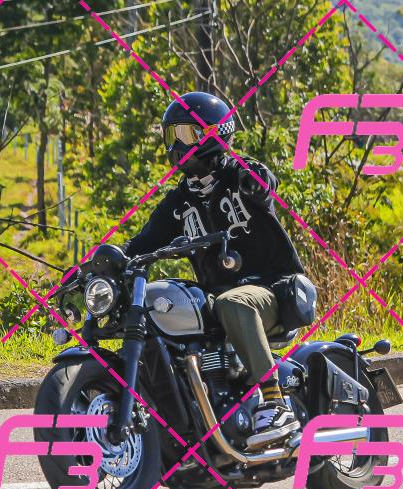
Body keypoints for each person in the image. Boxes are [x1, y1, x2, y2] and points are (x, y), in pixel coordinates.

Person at [123, 91, 305, 449]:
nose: (176, 145)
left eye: (186, 134)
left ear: (214, 134)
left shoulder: (238, 176)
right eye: (171, 135)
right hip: (217, 298)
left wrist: (257, 180)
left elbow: (263, 181)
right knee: (162, 311)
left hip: (271, 288)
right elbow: (141, 244)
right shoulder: (179, 202)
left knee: (233, 302)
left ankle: (276, 402)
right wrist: (100, 263)